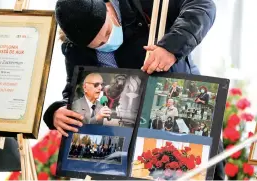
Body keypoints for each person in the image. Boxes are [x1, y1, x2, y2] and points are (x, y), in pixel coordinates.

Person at [43, 0, 225, 179]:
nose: (105, 42)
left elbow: (202, 5)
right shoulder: (74, 48)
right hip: (126, 148)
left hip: (182, 121)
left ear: (108, 8)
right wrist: (57, 112)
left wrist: (171, 47)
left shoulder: (144, 5)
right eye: (97, 45)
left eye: (107, 32)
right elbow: (78, 93)